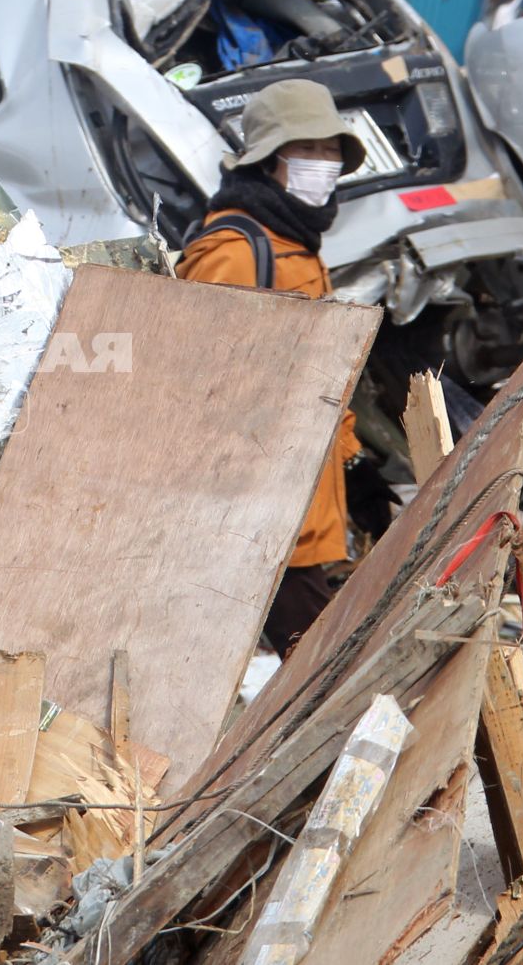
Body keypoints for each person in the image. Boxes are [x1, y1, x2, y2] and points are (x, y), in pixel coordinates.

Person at [176, 78, 365, 655]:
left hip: (300, 507)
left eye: (331, 151)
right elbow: (204, 388)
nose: (323, 163)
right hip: (265, 516)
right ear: (269, 161)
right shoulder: (236, 253)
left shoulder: (295, 242)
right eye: (307, 149)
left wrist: (352, 454)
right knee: (318, 672)